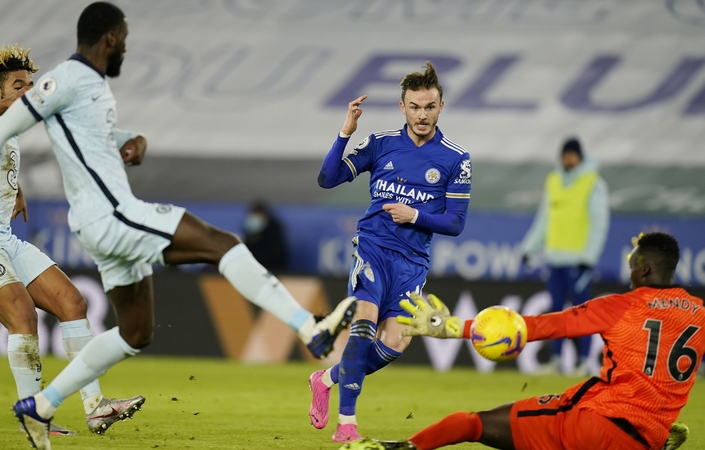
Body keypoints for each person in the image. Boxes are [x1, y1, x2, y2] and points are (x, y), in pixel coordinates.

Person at [0, 4, 356, 449]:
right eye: (124, 37)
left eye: (28, 86)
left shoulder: (89, 88)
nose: (28, 91)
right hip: (82, 219)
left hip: (43, 231)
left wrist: (131, 139)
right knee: (217, 243)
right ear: (110, 39)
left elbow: (82, 135)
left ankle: (47, 407)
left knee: (126, 328)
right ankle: (310, 327)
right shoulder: (50, 85)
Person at [0, 44, 144, 436]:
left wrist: (16, 190)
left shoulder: (11, 125)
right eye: (18, 85)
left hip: (2, 236)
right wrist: (11, 104)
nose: (29, 90)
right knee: (23, 316)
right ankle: (34, 419)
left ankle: (96, 407)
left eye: (31, 84)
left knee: (72, 302)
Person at [347, 232, 701, 450]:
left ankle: (402, 449)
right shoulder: (698, 313)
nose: (629, 271)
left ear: (644, 270)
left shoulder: (622, 306)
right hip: (646, 436)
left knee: (474, 423)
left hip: (594, 425)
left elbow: (546, 326)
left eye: (633, 265)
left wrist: (452, 327)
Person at [311, 61, 472, 443]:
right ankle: (347, 424)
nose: (421, 114)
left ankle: (327, 378)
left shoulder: (455, 159)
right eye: (414, 106)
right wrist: (344, 133)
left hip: (412, 263)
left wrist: (414, 214)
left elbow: (455, 223)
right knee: (363, 327)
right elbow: (327, 178)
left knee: (396, 342)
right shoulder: (381, 144)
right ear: (403, 107)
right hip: (373, 248)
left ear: (440, 107)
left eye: (429, 106)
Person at [520, 137, 609, 376]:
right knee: (555, 315)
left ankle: (582, 362)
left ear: (580, 157)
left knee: (582, 315)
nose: (568, 159)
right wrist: (529, 248)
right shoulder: (554, 180)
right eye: (565, 154)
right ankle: (557, 360)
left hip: (578, 261)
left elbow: (599, 224)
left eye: (572, 155)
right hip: (555, 259)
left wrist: (589, 258)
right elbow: (544, 220)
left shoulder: (593, 183)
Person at [243, 200, 288, 272]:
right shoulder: (249, 228)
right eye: (254, 214)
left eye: (258, 214)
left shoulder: (273, 228)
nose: (255, 217)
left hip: (273, 268)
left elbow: (276, 252)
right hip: (253, 268)